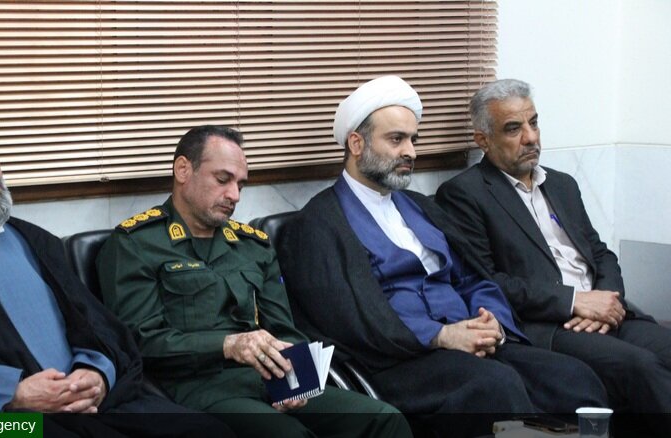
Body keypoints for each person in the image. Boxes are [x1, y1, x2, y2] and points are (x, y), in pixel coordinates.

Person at [0, 84, 232, 438]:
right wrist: (12, 393)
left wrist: (97, 373)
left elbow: (95, 326)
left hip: (94, 407)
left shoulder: (35, 240)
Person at [277, 76, 608, 437]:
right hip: (398, 362)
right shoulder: (318, 225)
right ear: (357, 144)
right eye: (396, 139)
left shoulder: (421, 207)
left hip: (469, 344)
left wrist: (492, 322)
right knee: (495, 388)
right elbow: (350, 320)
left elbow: (472, 277)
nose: (411, 152)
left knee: (573, 378)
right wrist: (441, 336)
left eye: (413, 140)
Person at [96, 125, 412, 438]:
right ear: (183, 170)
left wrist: (298, 381)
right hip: (198, 390)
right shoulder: (136, 244)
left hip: (271, 379)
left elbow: (284, 328)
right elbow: (141, 342)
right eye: (222, 180)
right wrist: (227, 345)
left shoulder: (252, 245)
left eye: (240, 184)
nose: (234, 195)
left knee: (384, 419)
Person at [435, 79, 671, 419]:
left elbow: (599, 252)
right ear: (483, 140)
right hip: (550, 324)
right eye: (513, 129)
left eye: (534, 123)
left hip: (604, 311)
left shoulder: (562, 184)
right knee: (641, 365)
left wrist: (607, 299)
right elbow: (488, 282)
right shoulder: (465, 194)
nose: (531, 137)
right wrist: (574, 302)